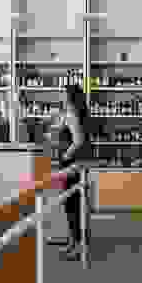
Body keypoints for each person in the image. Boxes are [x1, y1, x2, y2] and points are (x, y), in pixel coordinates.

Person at [57, 84, 90, 260]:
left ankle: (77, 245)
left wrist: (64, 156)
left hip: (70, 165)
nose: (60, 96)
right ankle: (73, 242)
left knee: (72, 205)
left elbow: (78, 141)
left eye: (63, 93)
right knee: (71, 204)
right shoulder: (72, 114)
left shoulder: (71, 115)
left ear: (69, 96)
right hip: (74, 164)